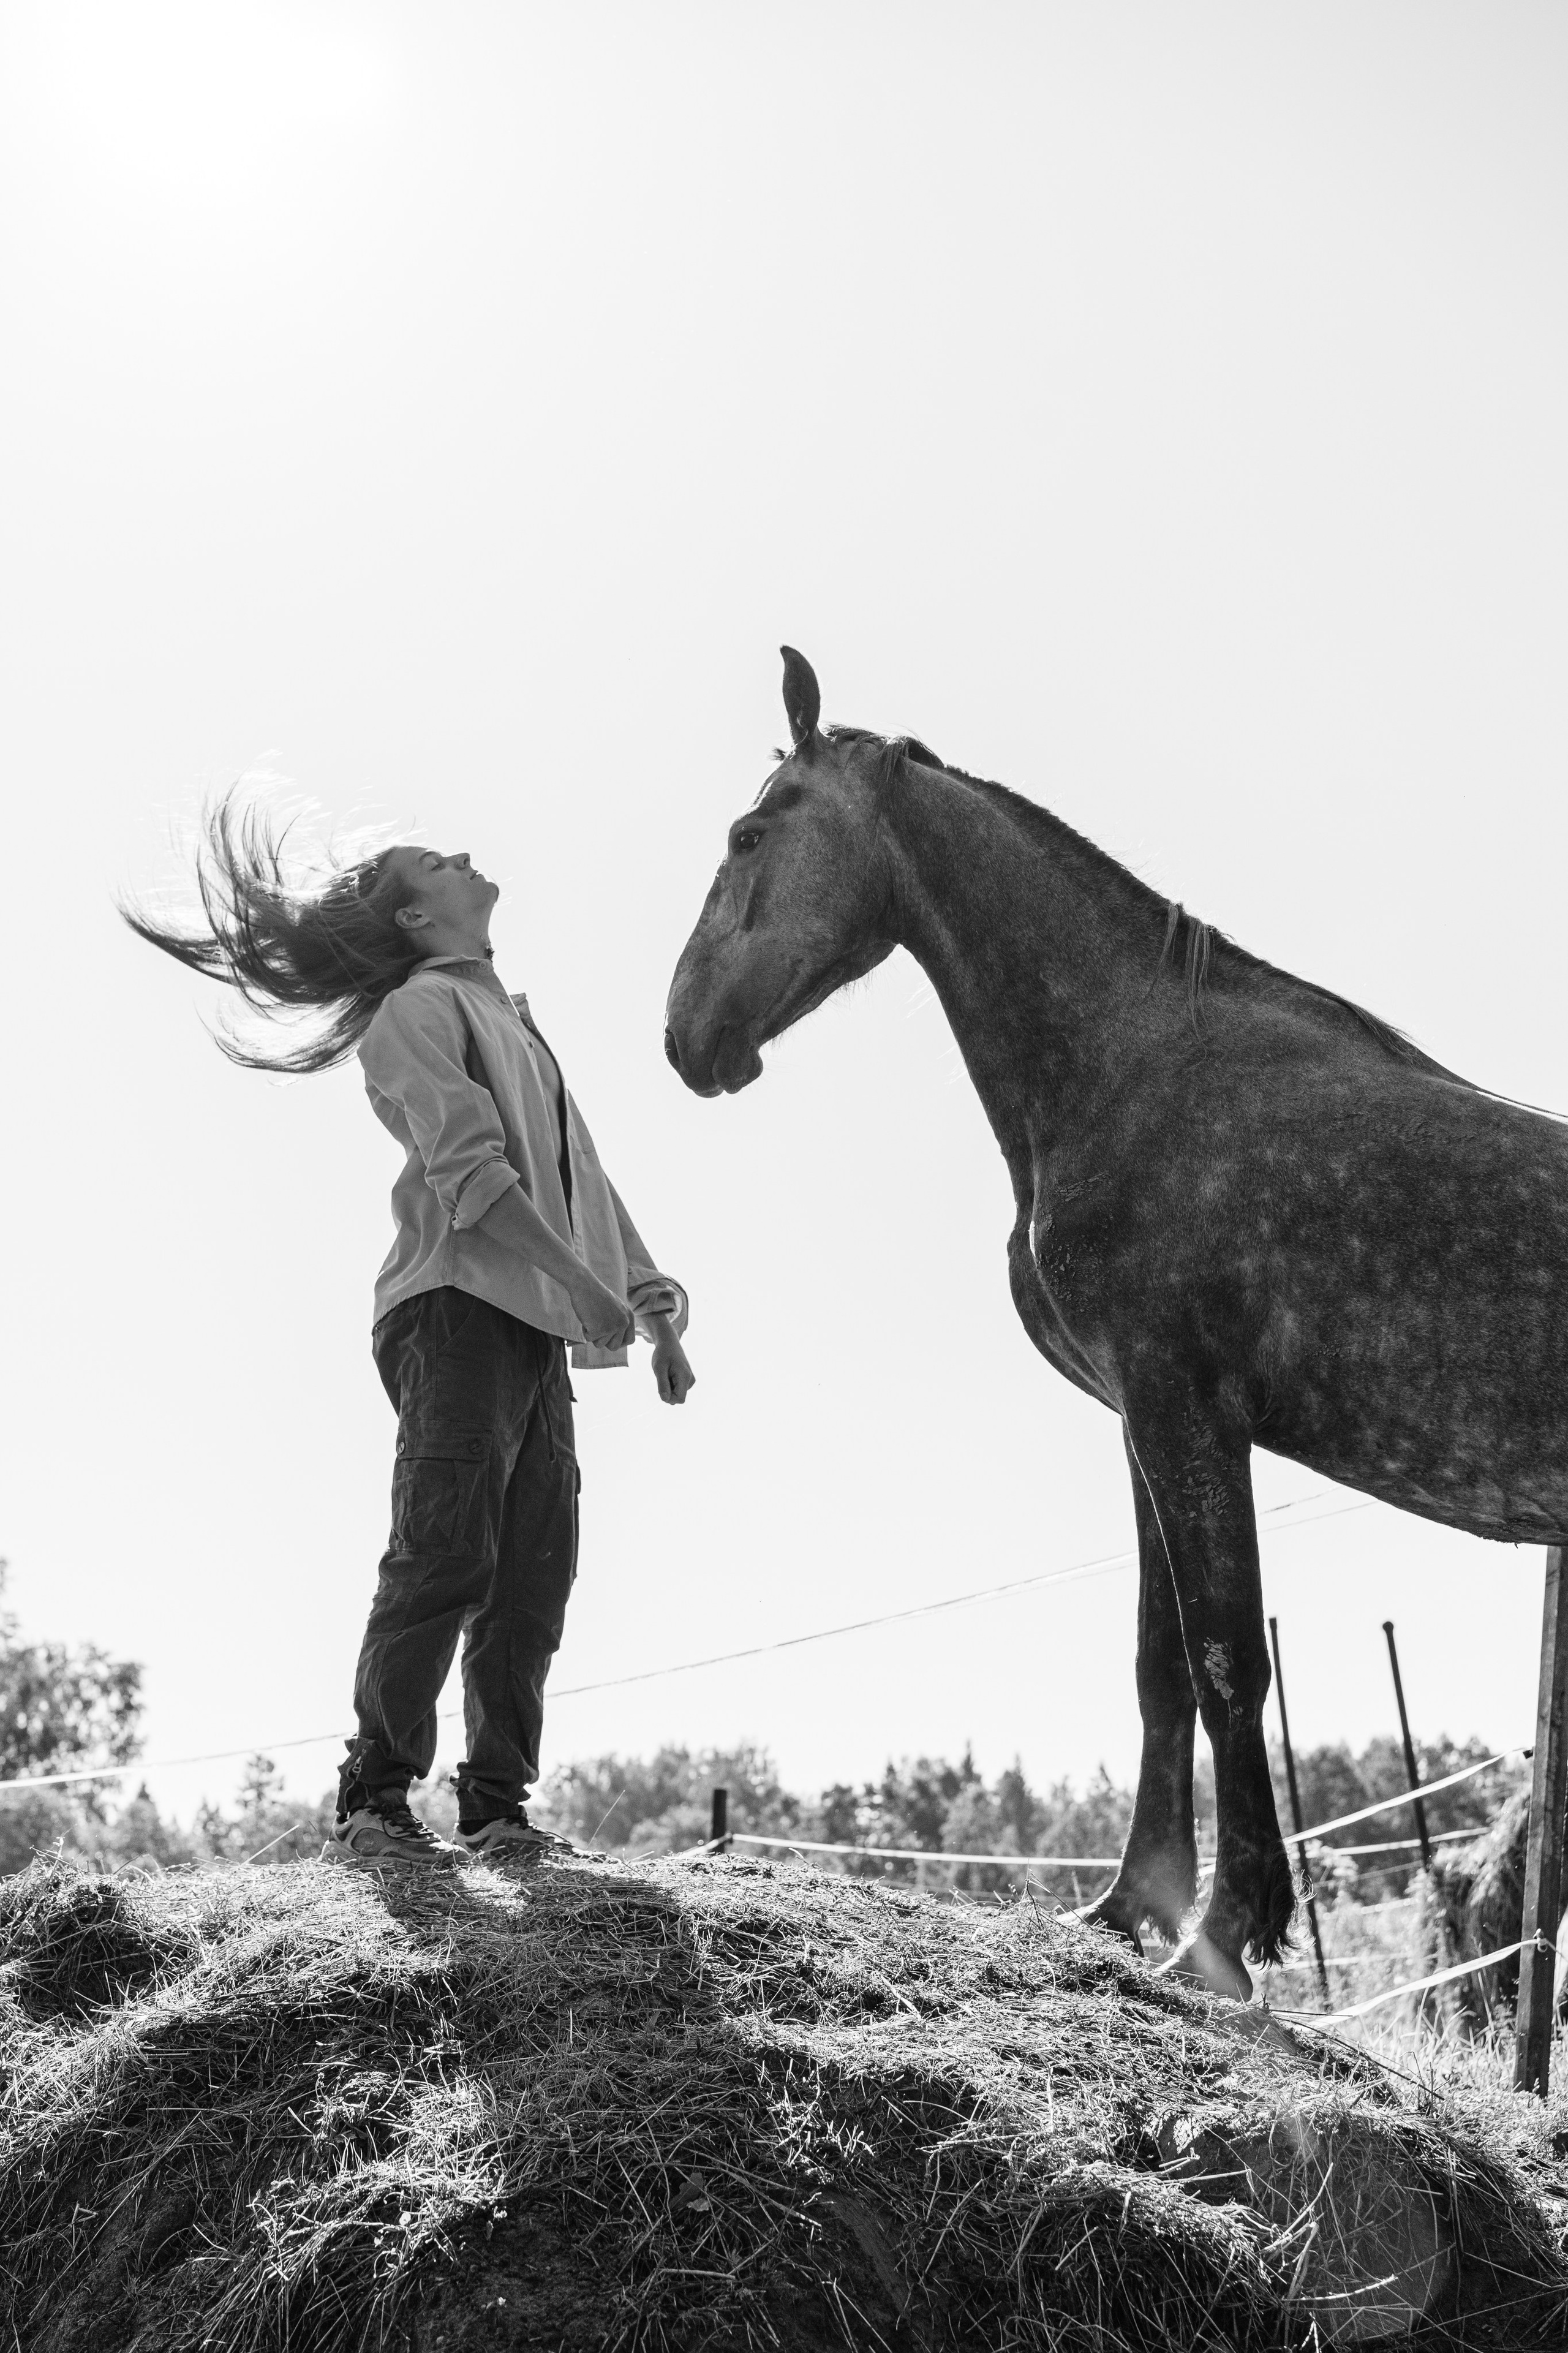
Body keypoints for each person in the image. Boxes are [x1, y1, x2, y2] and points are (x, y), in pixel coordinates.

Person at [126, 798, 693, 1868]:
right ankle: (375, 1800)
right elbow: (475, 1179)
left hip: (530, 1313)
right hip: (451, 1308)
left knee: (534, 1573)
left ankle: (495, 1809)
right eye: (436, 859)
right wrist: (583, 1281)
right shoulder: (415, 1016)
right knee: (447, 1551)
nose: (469, 853)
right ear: (419, 918)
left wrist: (651, 1296)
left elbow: (583, 1174)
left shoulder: (516, 1021)